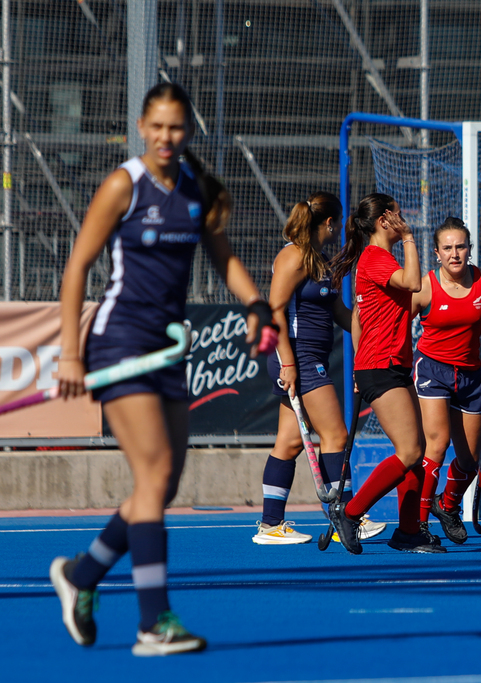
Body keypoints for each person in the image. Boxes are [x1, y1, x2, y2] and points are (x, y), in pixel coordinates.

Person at [49, 83, 278, 655]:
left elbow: (224, 258)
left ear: (188, 131)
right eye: (157, 126)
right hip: (120, 341)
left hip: (168, 349)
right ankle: (153, 622)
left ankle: (81, 575)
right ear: (141, 127)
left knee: (163, 484)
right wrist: (70, 353)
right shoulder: (123, 185)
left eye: (176, 127)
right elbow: (77, 266)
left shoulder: (196, 190)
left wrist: (256, 305)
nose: (166, 137)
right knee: (152, 477)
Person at [254, 191, 385, 545]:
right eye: (338, 224)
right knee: (336, 435)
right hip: (298, 358)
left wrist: (369, 327)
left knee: (289, 442)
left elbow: (339, 313)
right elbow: (275, 311)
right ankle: (349, 518)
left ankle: (270, 525)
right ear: (328, 222)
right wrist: (289, 364)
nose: (340, 230)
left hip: (311, 358)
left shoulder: (322, 260)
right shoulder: (294, 257)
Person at [327, 193, 443, 554]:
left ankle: (408, 531)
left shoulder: (377, 259)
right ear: (383, 221)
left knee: (416, 451)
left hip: (387, 364)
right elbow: (414, 283)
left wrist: (358, 364)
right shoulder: (376, 257)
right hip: (381, 364)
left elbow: (359, 318)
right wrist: (409, 238)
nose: (403, 218)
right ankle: (350, 513)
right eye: (397, 214)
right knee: (409, 451)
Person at [411, 217, 481, 544]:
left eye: (460, 247)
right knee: (437, 445)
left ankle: (447, 506)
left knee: (469, 460)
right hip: (432, 371)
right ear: (437, 252)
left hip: (470, 376)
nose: (454, 254)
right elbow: (395, 326)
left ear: (470, 248)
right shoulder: (425, 286)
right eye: (447, 248)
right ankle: (419, 525)